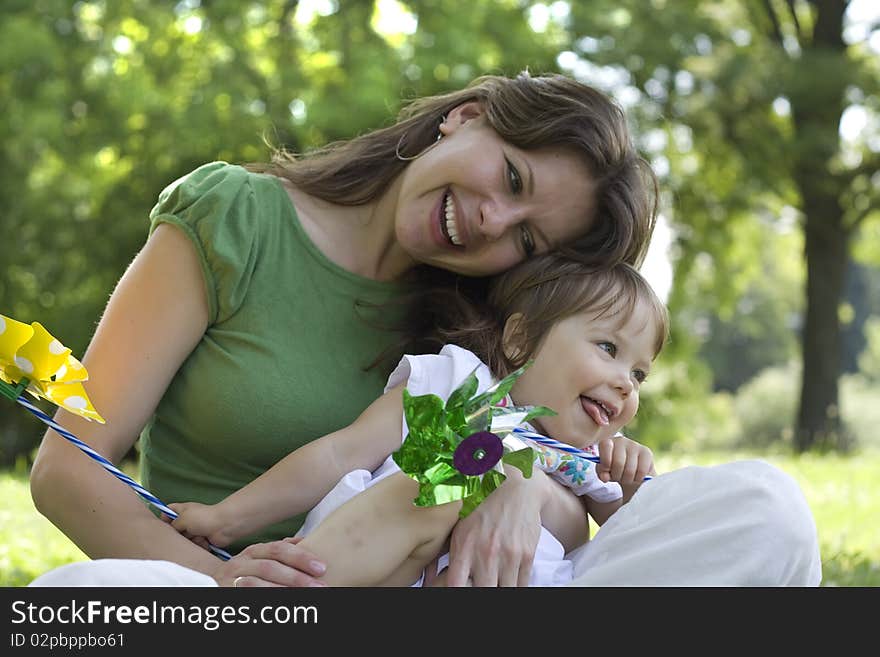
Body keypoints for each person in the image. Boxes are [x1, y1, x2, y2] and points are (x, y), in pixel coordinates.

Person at [29, 71, 661, 587]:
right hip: (207, 587)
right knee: (72, 598)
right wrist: (229, 592)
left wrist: (510, 473)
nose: (492, 220)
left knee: (753, 503)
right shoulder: (237, 217)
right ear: (466, 117)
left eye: (527, 238)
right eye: (511, 177)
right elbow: (67, 472)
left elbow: (574, 501)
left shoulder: (490, 339)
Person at [166, 258, 665, 587]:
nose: (625, 382)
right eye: (608, 348)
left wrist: (634, 486)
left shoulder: (592, 463)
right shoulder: (455, 384)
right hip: (374, 572)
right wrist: (227, 518)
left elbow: (634, 547)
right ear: (521, 340)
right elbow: (341, 453)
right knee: (446, 477)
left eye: (639, 373)